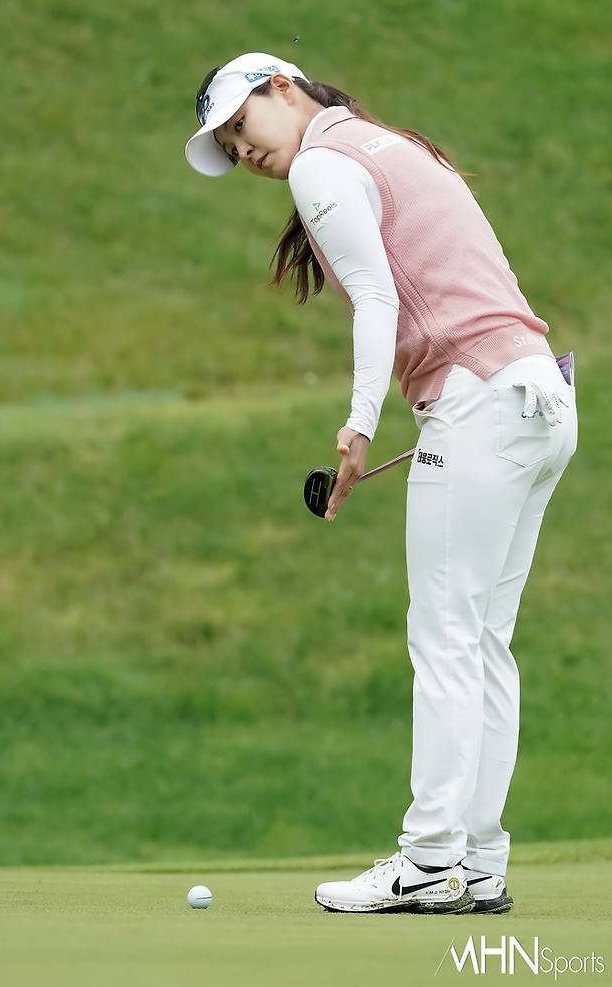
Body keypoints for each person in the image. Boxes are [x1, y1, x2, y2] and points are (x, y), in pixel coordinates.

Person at [184, 52, 579, 915]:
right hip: (539, 398)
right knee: (482, 643)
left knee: (445, 637)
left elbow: (375, 298)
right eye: (229, 147)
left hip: (480, 401)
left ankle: (430, 858)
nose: (242, 151)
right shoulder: (391, 144)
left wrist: (360, 426)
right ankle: (478, 860)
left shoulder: (323, 163)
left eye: (241, 126)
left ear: (282, 87)